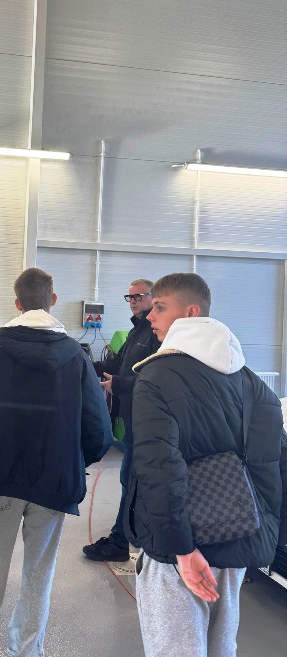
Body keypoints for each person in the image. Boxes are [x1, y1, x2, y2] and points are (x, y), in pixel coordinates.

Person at [126, 273, 287, 657]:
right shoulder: (251, 382)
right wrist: (268, 534)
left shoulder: (157, 376)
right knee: (221, 646)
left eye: (160, 307)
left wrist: (181, 548)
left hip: (180, 547)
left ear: (191, 313)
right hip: (236, 536)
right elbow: (275, 463)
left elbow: (160, 468)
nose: (150, 316)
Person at [0, 267, 113, 654]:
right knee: (40, 569)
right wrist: (74, 460)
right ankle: (25, 647)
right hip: (54, 479)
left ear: (17, 303)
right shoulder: (75, 355)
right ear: (53, 300)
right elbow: (99, 429)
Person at [83, 278, 160, 563]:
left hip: (147, 420)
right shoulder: (137, 330)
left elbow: (154, 378)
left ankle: (120, 541)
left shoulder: (156, 332)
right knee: (130, 480)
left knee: (131, 481)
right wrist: (83, 364)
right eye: (130, 297)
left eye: (139, 296)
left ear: (154, 297)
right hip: (133, 418)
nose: (134, 301)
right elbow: (117, 364)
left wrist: (120, 384)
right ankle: (127, 536)